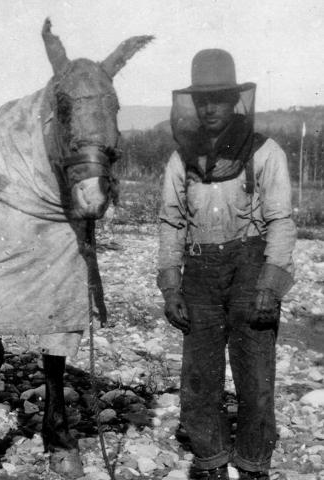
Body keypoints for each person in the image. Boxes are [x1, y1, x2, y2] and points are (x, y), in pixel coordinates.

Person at [157, 49, 296, 480]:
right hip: (199, 272)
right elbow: (170, 221)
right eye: (203, 100)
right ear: (193, 105)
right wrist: (171, 287)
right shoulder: (182, 157)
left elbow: (281, 222)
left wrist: (270, 287)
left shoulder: (265, 151)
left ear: (235, 99)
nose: (210, 107)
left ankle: (254, 460)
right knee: (200, 370)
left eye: (219, 98)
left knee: (255, 368)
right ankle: (209, 456)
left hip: (250, 269)